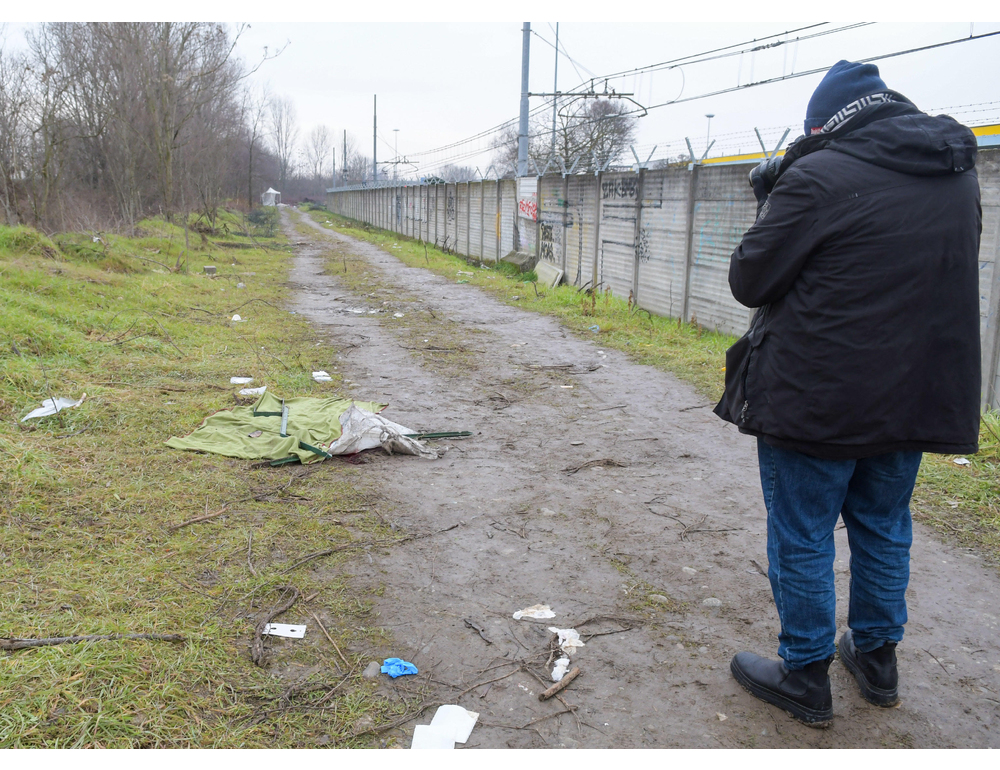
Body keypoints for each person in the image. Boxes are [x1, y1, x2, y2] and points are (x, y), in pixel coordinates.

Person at [714, 60, 982, 727]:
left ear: (824, 123)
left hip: (817, 398)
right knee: (883, 524)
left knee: (803, 533)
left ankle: (805, 673)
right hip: (914, 392)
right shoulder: (956, 175)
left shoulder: (818, 174)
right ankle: (876, 659)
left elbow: (751, 278)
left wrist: (775, 198)